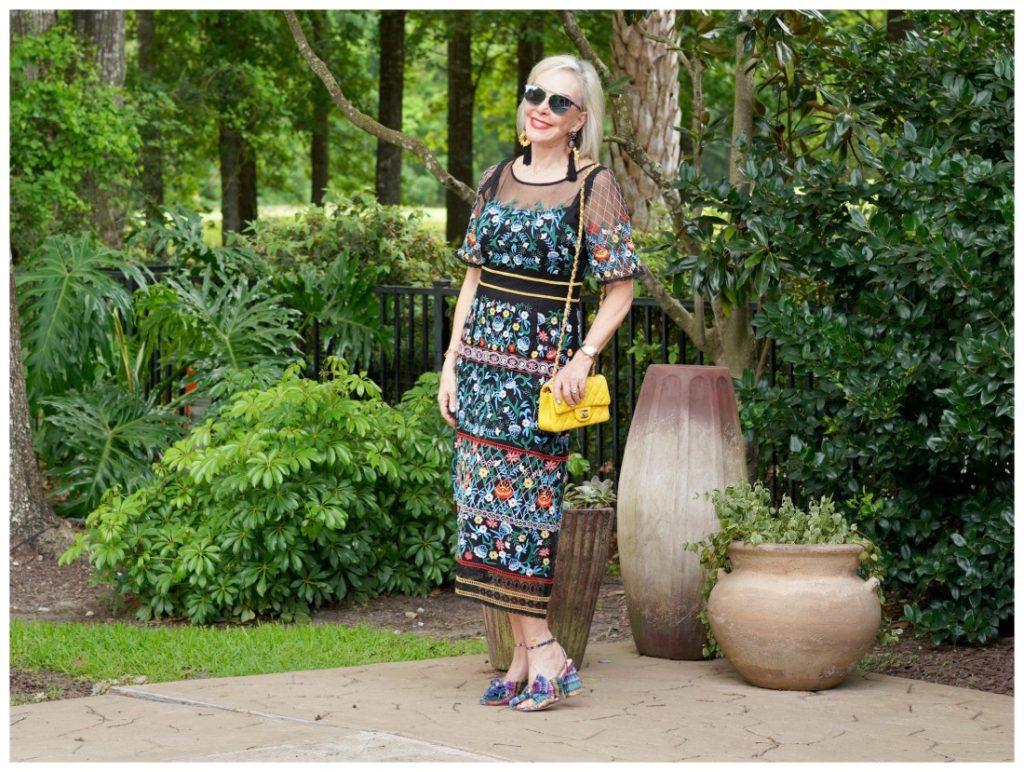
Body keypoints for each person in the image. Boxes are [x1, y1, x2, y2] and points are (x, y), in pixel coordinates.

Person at [437, 54, 642, 712]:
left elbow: (621, 289)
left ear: (580, 120)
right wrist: (451, 360)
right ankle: (528, 661)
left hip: (540, 377)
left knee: (523, 517)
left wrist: (583, 357)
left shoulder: (595, 185)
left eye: (559, 103)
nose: (542, 109)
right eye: (535, 95)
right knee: (481, 516)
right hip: (480, 372)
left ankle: (547, 651)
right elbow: (472, 278)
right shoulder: (497, 178)